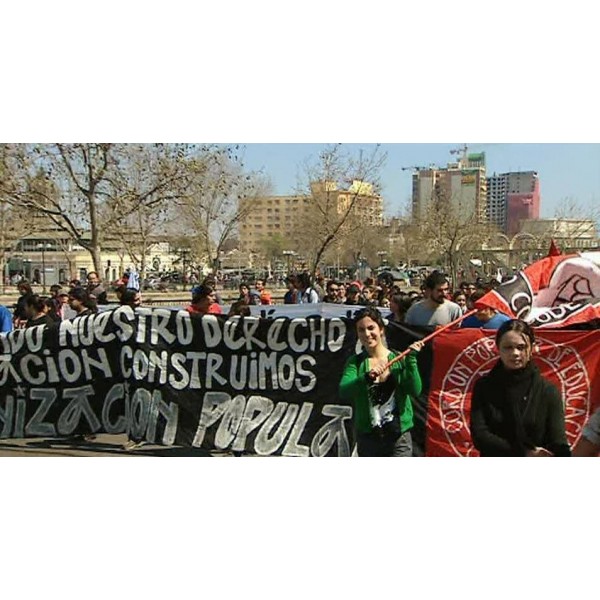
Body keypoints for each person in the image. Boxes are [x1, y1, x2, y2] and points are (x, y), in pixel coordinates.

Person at [470, 319, 571, 457]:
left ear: (531, 348)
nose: (515, 353)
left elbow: (558, 442)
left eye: (521, 347)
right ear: (498, 348)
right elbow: (480, 436)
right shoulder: (484, 387)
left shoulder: (547, 391)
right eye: (508, 347)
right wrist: (525, 453)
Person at [339, 307, 424, 457]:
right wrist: (366, 378)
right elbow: (344, 391)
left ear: (381, 330)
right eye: (361, 330)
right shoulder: (355, 362)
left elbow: (415, 390)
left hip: (399, 438)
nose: (367, 334)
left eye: (371, 328)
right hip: (368, 439)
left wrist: (411, 361)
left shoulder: (399, 358)